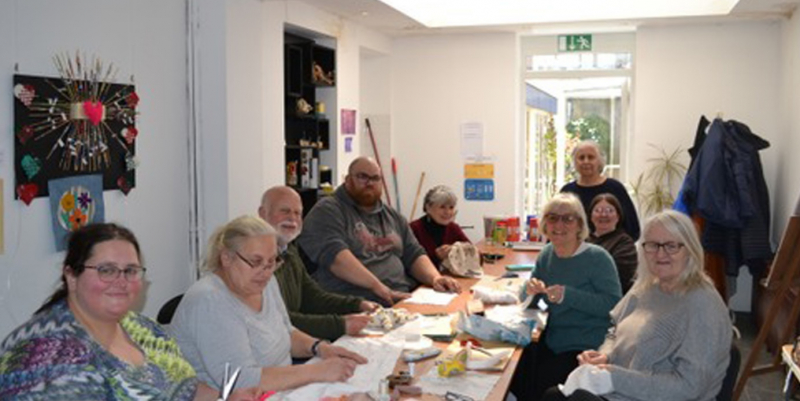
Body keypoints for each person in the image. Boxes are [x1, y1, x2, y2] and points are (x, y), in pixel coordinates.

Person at [0, 223, 259, 400]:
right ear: (72, 276)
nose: (121, 281)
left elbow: (186, 390)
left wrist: (223, 397)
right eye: (106, 270)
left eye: (131, 270)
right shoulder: (44, 356)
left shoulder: (143, 329)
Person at [541, 210, 732, 401]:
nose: (660, 254)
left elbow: (689, 388)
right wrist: (605, 356)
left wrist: (616, 379)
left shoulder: (703, 305)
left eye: (671, 246)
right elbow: (614, 331)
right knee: (553, 395)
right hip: (620, 391)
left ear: (690, 250)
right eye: (652, 245)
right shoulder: (646, 286)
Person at [170, 216, 368, 393]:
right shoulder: (210, 301)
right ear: (226, 258)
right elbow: (240, 381)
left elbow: (286, 332)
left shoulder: (264, 282)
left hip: (283, 389)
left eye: (272, 261)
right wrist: (316, 371)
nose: (265, 272)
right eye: (255, 262)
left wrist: (320, 348)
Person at [297, 157, 461, 306]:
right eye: (362, 177)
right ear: (347, 180)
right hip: (356, 303)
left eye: (375, 178)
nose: (370, 183)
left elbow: (414, 253)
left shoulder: (393, 216)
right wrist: (380, 288)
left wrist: (435, 278)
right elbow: (336, 259)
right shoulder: (328, 210)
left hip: (401, 298)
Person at [510, 193, 622, 401]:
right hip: (553, 339)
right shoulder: (547, 254)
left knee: (542, 387)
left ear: (580, 225)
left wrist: (567, 295)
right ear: (544, 224)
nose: (559, 224)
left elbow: (613, 305)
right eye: (552, 218)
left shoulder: (597, 258)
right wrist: (530, 289)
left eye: (568, 218)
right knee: (515, 369)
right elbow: (529, 299)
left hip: (586, 346)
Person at [258, 186, 379, 341]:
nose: (293, 219)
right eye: (285, 211)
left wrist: (358, 305)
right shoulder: (256, 261)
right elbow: (279, 319)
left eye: (297, 213)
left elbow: (313, 297)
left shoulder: (290, 250)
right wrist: (341, 325)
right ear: (262, 214)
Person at [560, 140, 641, 241]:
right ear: (575, 162)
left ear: (600, 161)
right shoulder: (567, 191)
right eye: (581, 158)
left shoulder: (615, 188)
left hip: (612, 252)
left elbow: (632, 228)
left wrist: (619, 248)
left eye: (591, 157)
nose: (586, 161)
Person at [409, 185, 471, 268]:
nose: (448, 212)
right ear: (428, 207)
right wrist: (436, 257)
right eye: (442, 207)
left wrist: (457, 249)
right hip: (422, 280)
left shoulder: (453, 228)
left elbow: (474, 254)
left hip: (449, 278)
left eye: (451, 207)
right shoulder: (414, 229)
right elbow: (409, 263)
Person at [587, 193, 638, 294]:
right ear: (591, 217)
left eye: (609, 211)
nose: (603, 215)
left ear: (618, 216)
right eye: (598, 211)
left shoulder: (625, 242)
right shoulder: (581, 241)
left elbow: (619, 275)